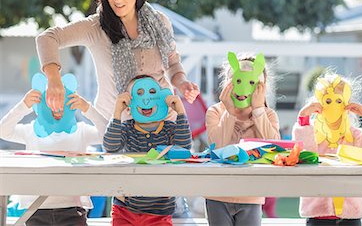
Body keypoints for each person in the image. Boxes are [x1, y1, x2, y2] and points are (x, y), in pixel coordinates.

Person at [36, 0, 199, 122]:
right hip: (117, 128)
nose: (118, 0)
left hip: (164, 123)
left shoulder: (159, 22)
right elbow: (47, 38)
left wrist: (182, 83)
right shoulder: (95, 27)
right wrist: (54, 79)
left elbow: (172, 63)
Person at [0, 86, 106, 226]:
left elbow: (108, 136)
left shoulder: (81, 131)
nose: (56, 110)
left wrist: (87, 108)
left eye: (61, 105)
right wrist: (23, 106)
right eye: (51, 104)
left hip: (72, 210)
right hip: (36, 210)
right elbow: (3, 131)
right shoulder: (31, 130)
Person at [292, 73, 362, 226]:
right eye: (327, 101)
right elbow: (302, 154)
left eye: (339, 101)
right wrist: (303, 119)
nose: (333, 106)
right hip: (317, 213)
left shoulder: (353, 134)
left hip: (350, 214)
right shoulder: (311, 133)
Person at [103, 75, 192, 226]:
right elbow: (110, 146)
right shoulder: (126, 128)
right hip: (125, 209)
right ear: (129, 106)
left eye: (152, 92)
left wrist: (181, 111)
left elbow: (184, 147)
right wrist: (117, 112)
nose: (146, 100)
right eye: (138, 94)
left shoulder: (169, 129)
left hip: (160, 211)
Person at [204, 52, 280, 226]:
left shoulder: (268, 115)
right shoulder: (215, 112)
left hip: (251, 194)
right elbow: (218, 148)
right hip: (217, 195)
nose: (243, 88)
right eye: (237, 80)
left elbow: (275, 149)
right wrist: (230, 113)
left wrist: (259, 110)